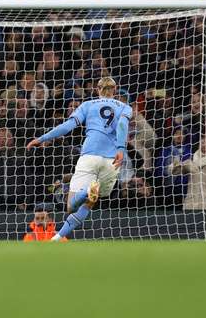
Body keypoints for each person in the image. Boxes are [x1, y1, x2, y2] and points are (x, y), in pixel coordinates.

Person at [26, 77, 131, 241]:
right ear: (115, 90)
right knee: (90, 203)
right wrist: (121, 149)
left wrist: (42, 138)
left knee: (71, 205)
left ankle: (85, 192)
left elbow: (67, 126)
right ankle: (58, 237)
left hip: (89, 155)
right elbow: (123, 126)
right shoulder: (125, 107)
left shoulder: (88, 105)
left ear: (97, 89)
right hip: (111, 161)